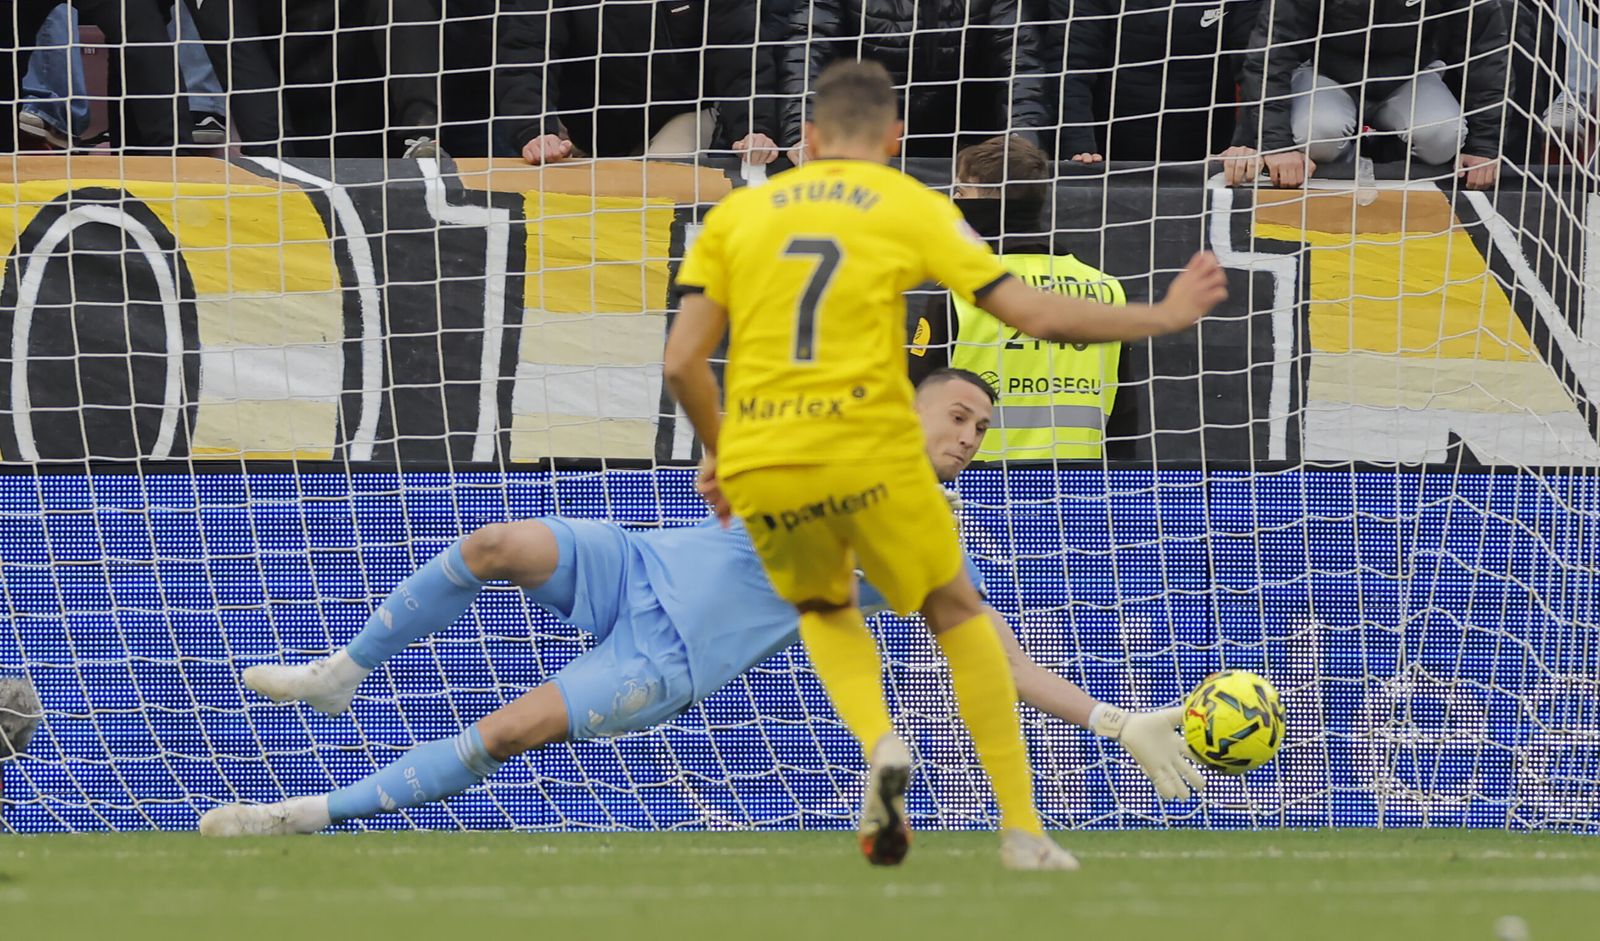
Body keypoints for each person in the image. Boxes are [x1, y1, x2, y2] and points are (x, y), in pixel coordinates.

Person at [196, 370, 1204, 842]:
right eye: (962, 412)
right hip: (635, 566)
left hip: (672, 656)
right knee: (495, 542)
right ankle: (342, 673)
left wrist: (1116, 721)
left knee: (504, 730)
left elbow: (992, 655)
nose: (974, 433)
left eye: (986, 426)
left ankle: (299, 814)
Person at [663, 60, 1226, 868]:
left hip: (771, 459)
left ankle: (879, 740)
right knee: (958, 613)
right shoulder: (911, 206)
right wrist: (1161, 314)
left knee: (825, 609)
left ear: (809, 139)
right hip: (872, 449)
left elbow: (684, 363)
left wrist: (722, 451)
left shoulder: (736, 218)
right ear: (895, 138)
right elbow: (1030, 309)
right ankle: (1023, 829)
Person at [909, 135, 1127, 460]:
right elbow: (1125, 415)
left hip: (978, 489)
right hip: (1080, 491)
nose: (954, 202)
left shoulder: (961, 288)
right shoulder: (1105, 289)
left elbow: (914, 400)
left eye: (961, 192)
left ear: (985, 200)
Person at [1219, 0, 1511, 190]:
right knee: (1316, 134)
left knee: (1443, 137)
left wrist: (1484, 146)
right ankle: (1336, 185)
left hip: (1407, 74)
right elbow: (1272, 51)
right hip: (1326, 72)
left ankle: (1393, 163)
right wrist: (1275, 145)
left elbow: (1487, 52)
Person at [496, 0, 779, 165]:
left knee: (661, 184)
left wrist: (752, 128)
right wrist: (534, 130)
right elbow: (527, 50)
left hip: (682, 117)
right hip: (584, 131)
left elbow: (740, 49)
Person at [781, 0, 1049, 163]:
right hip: (867, 141)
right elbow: (807, 49)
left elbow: (1019, 60)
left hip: (965, 152)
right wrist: (801, 129)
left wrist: (1022, 142)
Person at [1044, 0, 1261, 165]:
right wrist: (1077, 144)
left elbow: (1255, 66)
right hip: (1106, 155)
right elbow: (1071, 64)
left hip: (1209, 152)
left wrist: (1245, 143)